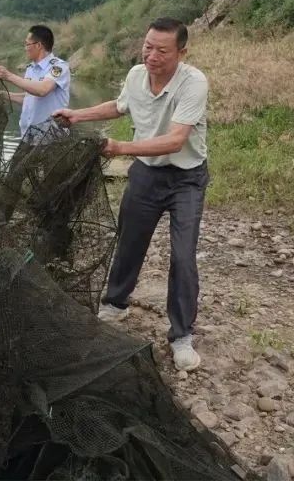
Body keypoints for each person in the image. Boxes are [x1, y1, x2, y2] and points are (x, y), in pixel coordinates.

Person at [52, 18, 208, 372]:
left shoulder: (193, 83)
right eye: (148, 47)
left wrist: (121, 147)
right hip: (145, 176)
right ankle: (116, 304)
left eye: (162, 51)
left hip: (186, 179)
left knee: (183, 256)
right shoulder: (137, 74)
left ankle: (182, 335)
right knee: (129, 242)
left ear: (182, 52)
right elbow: (119, 106)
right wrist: (77, 114)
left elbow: (175, 140)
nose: (152, 56)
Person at [0, 24, 70, 140]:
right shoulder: (30, 69)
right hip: (28, 136)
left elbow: (42, 90)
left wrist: (8, 75)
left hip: (51, 139)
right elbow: (28, 98)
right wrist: (0, 94)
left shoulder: (58, 67)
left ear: (38, 45)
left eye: (27, 44)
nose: (25, 48)